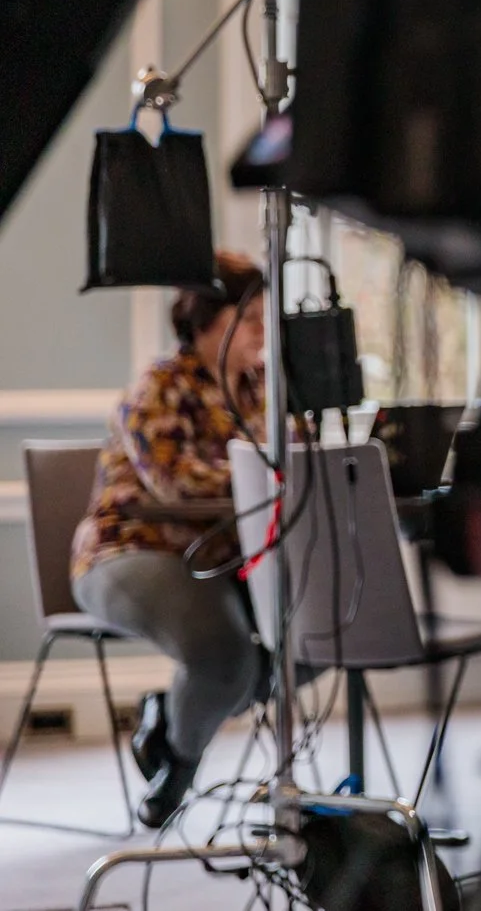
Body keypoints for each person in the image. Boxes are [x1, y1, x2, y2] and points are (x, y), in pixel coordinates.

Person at [71, 251, 267, 828]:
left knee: (320, 634)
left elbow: (299, 461)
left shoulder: (262, 390)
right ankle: (176, 767)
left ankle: (167, 713)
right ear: (209, 320)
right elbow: (175, 481)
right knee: (226, 656)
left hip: (225, 554)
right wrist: (264, 475)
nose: (262, 329)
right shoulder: (159, 386)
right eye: (249, 315)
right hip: (132, 550)